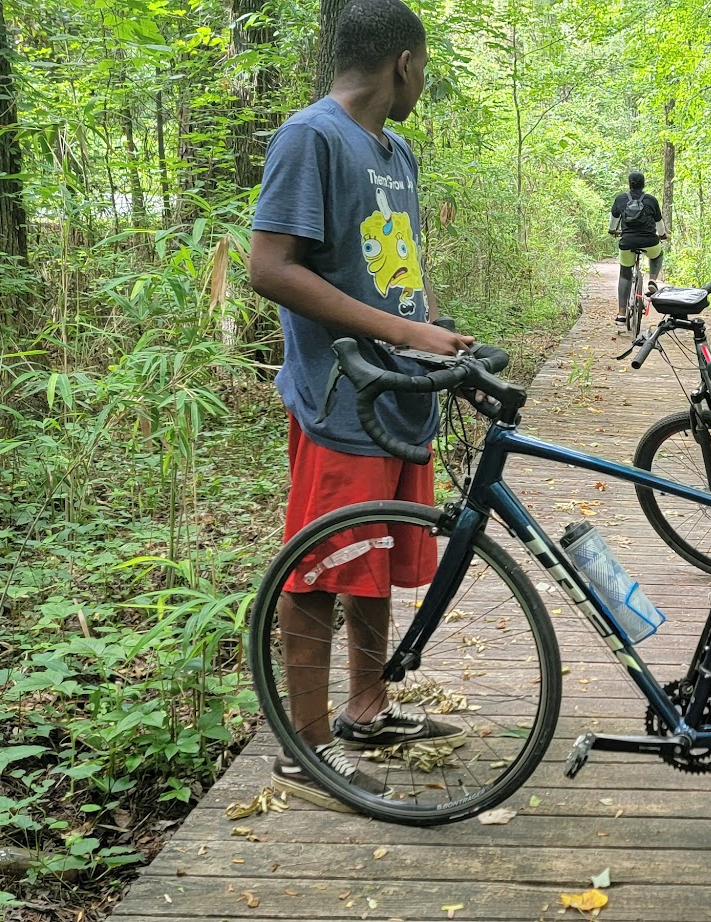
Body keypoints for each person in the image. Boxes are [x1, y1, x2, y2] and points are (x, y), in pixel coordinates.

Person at [245, 0, 473, 812]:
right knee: (321, 562)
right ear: (405, 64)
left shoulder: (394, 148)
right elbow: (268, 266)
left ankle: (366, 709)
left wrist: (432, 335)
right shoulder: (311, 136)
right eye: (426, 66)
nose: (424, 79)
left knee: (372, 550)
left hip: (396, 393)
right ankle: (305, 750)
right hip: (341, 394)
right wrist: (396, 329)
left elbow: (402, 260)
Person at [608, 171, 666, 321]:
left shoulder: (620, 199)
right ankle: (652, 280)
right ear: (643, 184)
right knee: (657, 255)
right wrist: (663, 235)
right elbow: (659, 224)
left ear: (629, 184)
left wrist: (613, 231)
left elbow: (613, 222)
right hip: (650, 241)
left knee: (625, 273)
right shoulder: (651, 200)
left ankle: (621, 314)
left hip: (627, 242)